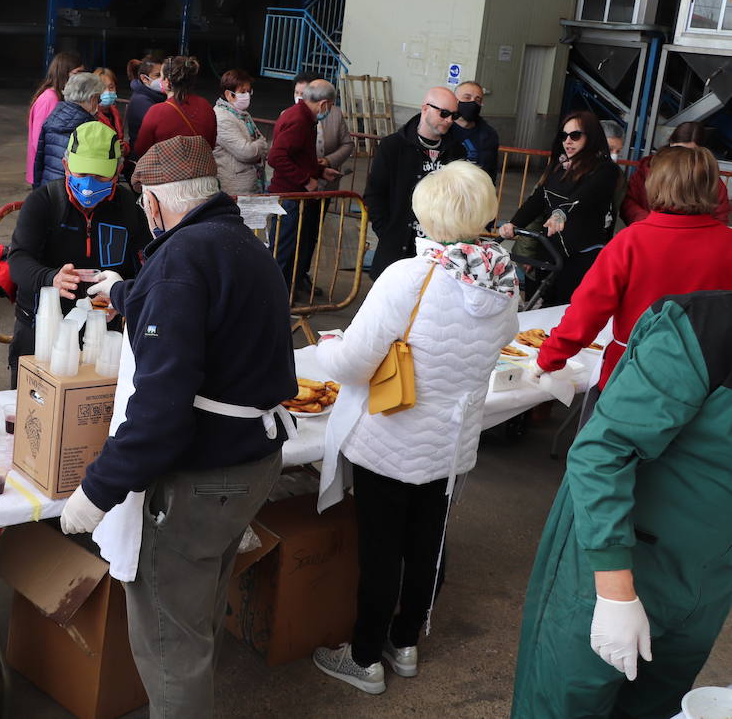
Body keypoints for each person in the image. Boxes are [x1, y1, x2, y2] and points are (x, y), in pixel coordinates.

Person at [59, 135, 296, 718]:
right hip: (254, 462)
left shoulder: (180, 260)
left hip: (205, 477)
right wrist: (123, 290)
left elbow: (159, 413)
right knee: (197, 612)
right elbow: (195, 311)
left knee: (170, 644)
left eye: (145, 205)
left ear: (158, 205)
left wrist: (95, 493)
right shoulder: (238, 239)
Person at [310, 160, 519, 695]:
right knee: (429, 544)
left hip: (392, 438)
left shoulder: (409, 275)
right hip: (452, 442)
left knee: (381, 552)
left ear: (428, 213)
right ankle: (405, 644)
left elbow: (355, 363)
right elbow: (497, 345)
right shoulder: (501, 280)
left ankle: (363, 658)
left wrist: (326, 349)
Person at [512, 291, 732, 719]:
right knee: (565, 704)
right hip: (617, 560)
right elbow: (601, 451)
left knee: (658, 706)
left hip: (709, 585)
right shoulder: (705, 329)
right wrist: (615, 592)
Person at [536, 145, 732, 392]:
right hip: (710, 381)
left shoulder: (631, 241)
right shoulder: (728, 243)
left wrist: (550, 357)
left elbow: (588, 310)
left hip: (634, 376)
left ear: (656, 184)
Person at [6, 121, 148, 382]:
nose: (89, 185)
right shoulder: (44, 201)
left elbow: (147, 268)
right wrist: (51, 279)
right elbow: (17, 260)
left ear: (117, 171)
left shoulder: (131, 208)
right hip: (40, 331)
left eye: (100, 176)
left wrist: (123, 295)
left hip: (103, 335)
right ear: (66, 165)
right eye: (81, 174)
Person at [500, 111, 619, 306]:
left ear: (592, 136)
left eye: (575, 135)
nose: (568, 141)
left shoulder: (605, 170)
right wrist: (514, 223)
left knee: (566, 309)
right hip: (550, 250)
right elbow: (539, 198)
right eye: (564, 136)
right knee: (540, 307)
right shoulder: (559, 165)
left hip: (581, 255)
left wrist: (560, 214)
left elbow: (584, 195)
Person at [364, 87, 467, 279]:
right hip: (395, 251)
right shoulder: (393, 146)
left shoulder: (457, 152)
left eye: (454, 115)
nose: (449, 120)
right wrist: (387, 232)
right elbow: (374, 193)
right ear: (425, 108)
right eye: (443, 113)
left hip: (437, 252)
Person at [269, 78, 342, 296]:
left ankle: (286, 292)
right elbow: (276, 157)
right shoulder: (299, 120)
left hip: (294, 195)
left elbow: (300, 156)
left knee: (291, 249)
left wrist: (319, 172)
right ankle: (275, 299)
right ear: (324, 104)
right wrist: (306, 179)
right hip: (289, 196)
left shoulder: (302, 117)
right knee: (282, 251)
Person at [621, 121, 729, 225]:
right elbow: (629, 202)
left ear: (700, 152)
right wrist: (647, 222)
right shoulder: (647, 167)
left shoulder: (710, 180)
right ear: (671, 143)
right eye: (678, 149)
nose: (681, 156)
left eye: (689, 153)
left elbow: (720, 216)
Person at [131, 55, 216, 161]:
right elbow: (211, 144)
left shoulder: (156, 111)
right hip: (202, 172)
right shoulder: (206, 105)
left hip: (167, 174)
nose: (159, 80)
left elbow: (141, 149)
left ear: (167, 82)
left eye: (161, 76)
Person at [33, 71, 106, 186]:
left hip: (48, 187)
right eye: (99, 99)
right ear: (93, 99)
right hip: (72, 190)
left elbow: (39, 159)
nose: (99, 104)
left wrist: (38, 189)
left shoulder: (53, 117)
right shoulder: (88, 127)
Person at [26, 51, 83, 188]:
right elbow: (38, 141)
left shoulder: (58, 96)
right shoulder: (49, 99)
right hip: (47, 172)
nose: (81, 78)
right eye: (76, 73)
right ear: (63, 73)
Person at [213, 67, 268, 194]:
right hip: (234, 188)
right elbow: (247, 152)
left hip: (252, 184)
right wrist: (260, 145)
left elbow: (263, 141)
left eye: (249, 91)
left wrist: (258, 144)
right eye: (242, 92)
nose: (247, 96)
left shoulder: (243, 114)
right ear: (228, 94)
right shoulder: (221, 118)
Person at [452, 80, 499, 180]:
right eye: (467, 97)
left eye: (477, 100)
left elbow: (491, 172)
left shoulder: (489, 136)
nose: (473, 102)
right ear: (454, 100)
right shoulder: (442, 129)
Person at [124, 56, 166, 145]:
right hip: (143, 154)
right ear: (144, 78)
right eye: (158, 75)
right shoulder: (142, 101)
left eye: (164, 75)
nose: (163, 79)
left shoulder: (156, 95)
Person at [91, 66, 126, 143]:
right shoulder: (91, 117)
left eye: (111, 87)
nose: (107, 91)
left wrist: (125, 148)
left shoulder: (114, 111)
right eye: (102, 88)